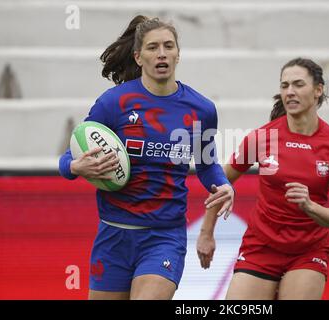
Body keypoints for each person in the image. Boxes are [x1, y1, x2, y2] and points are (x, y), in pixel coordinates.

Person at [59, 15, 234, 300]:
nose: (162, 53)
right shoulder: (114, 103)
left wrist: (224, 184)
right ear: (139, 57)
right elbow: (66, 161)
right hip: (113, 235)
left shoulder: (201, 109)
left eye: (169, 46)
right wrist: (77, 166)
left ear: (178, 54)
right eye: (153, 47)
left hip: (164, 237)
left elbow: (206, 165)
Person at [197, 57, 329, 300]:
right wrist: (206, 233)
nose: (290, 92)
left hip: (308, 251)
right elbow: (220, 182)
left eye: (298, 84)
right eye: (284, 86)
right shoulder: (262, 138)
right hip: (261, 246)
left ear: (318, 90)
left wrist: (310, 206)